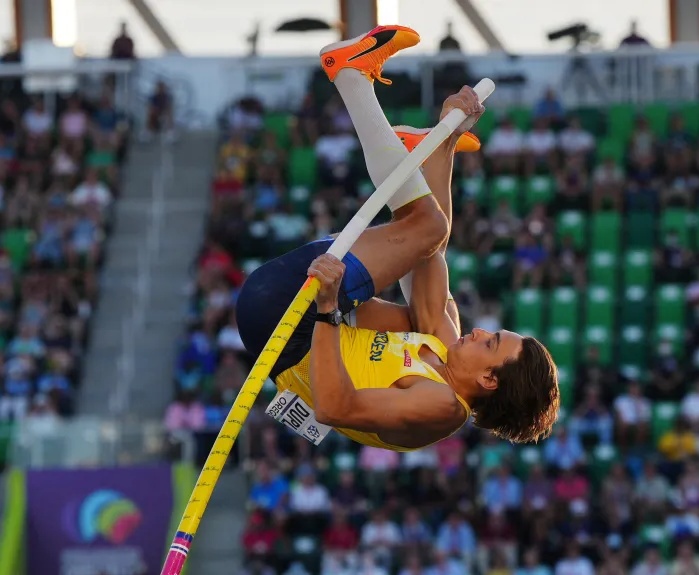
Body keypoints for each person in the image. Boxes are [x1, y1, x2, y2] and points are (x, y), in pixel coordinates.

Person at [236, 25, 560, 452]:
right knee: (429, 265)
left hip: (285, 320)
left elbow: (334, 408)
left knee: (425, 231)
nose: (481, 331)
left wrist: (329, 308)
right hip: (289, 317)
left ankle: (351, 76)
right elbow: (430, 253)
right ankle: (416, 152)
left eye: (492, 342)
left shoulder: (439, 407)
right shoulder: (446, 355)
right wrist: (446, 140)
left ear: (488, 379)